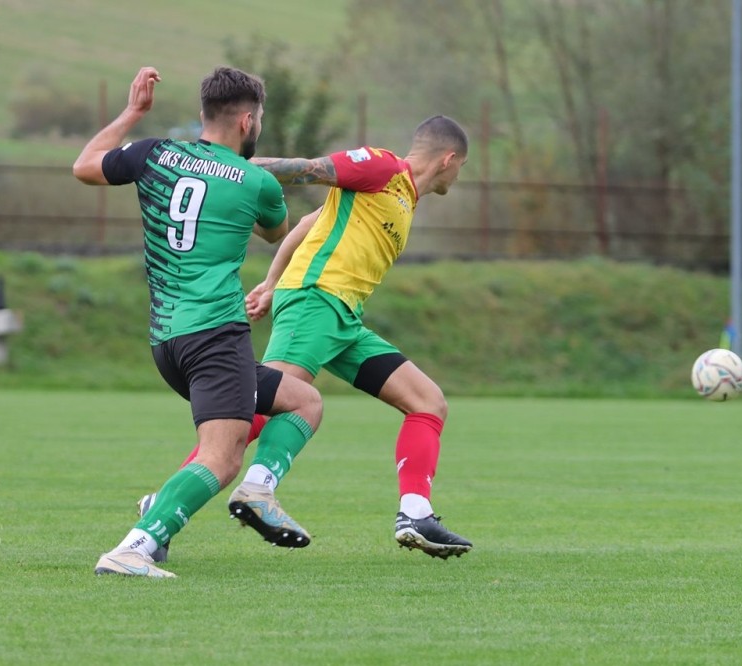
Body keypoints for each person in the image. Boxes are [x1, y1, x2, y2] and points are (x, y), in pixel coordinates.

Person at [163, 116, 473, 559]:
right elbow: (305, 168)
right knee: (266, 406)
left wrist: (271, 283)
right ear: (449, 159)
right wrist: (224, 164)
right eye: (462, 166)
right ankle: (210, 495)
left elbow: (311, 222)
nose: (459, 175)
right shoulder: (383, 168)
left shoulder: (403, 198)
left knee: (428, 402)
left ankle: (416, 514)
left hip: (343, 319)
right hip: (316, 299)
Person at [73, 65, 322, 578]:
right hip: (216, 336)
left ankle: (244, 493)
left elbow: (85, 166)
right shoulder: (257, 181)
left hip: (168, 339)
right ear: (248, 120)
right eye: (259, 120)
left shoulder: (153, 154)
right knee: (221, 458)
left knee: (303, 401)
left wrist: (133, 112)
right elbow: (276, 231)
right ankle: (135, 547)